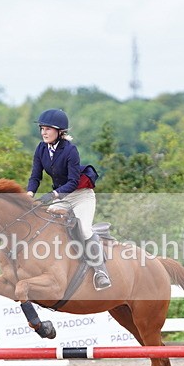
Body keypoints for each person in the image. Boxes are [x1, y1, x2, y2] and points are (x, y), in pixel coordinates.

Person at [26, 109, 111, 290]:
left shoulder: (70, 150)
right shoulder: (41, 148)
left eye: (48, 129)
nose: (43, 133)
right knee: (45, 225)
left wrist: (54, 195)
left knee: (84, 230)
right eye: (42, 129)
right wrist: (29, 195)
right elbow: (35, 176)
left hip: (81, 196)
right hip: (61, 195)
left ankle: (100, 271)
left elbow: (73, 182)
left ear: (59, 131)